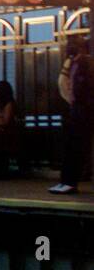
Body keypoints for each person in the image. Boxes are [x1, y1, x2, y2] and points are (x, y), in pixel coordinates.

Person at [52, 35, 94, 195]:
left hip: (82, 109)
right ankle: (66, 181)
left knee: (75, 146)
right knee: (72, 146)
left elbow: (81, 87)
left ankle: (69, 181)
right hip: (78, 108)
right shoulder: (75, 63)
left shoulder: (84, 63)